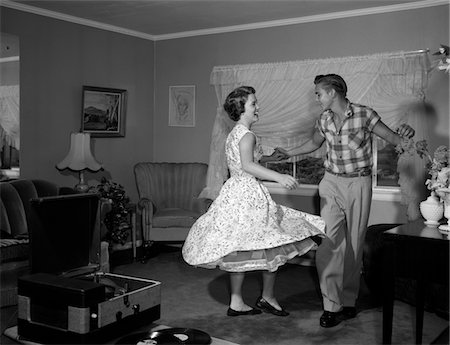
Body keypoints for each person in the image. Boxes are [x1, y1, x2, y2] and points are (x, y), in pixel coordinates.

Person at [276, 74, 415, 327]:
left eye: (318, 93)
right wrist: (288, 153)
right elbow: (313, 143)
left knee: (354, 243)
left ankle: (349, 301)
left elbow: (396, 140)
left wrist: (406, 132)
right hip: (330, 182)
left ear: (332, 93)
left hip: (358, 183)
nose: (316, 98)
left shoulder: (365, 115)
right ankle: (331, 305)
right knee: (328, 242)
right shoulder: (324, 119)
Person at [182, 86, 325, 317]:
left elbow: (245, 160)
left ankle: (236, 301)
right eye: (253, 104)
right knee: (269, 243)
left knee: (240, 246)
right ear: (241, 109)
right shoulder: (247, 135)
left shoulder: (235, 134)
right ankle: (267, 297)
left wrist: (270, 158)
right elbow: (247, 165)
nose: (258, 107)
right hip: (248, 194)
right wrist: (280, 176)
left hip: (235, 193)